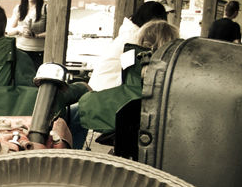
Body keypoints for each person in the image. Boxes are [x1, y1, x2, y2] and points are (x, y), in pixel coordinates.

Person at [50, 19, 180, 151]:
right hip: (163, 127)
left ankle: (69, 158)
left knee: (74, 114)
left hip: (129, 111)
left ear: (141, 43)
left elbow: (125, 92)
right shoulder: (178, 72)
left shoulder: (135, 66)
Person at [90, 0, 167, 90]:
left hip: (100, 89)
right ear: (153, 21)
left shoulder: (129, 35)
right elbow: (133, 74)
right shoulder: (134, 42)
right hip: (107, 93)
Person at [7, 0, 46, 67]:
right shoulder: (19, 8)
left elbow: (52, 33)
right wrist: (19, 29)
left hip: (38, 52)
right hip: (20, 51)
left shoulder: (45, 8)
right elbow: (9, 31)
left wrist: (36, 35)